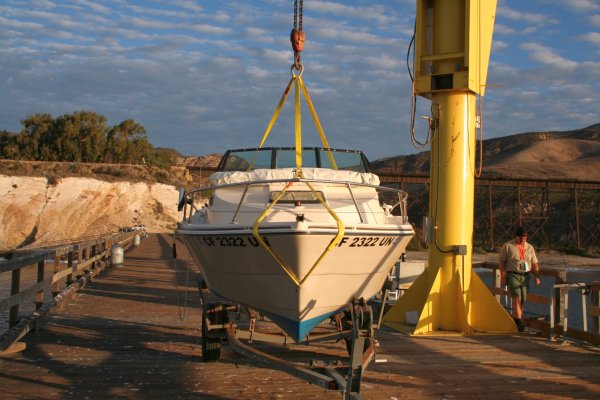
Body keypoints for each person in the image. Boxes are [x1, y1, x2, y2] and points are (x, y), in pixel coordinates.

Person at [499, 227, 541, 332]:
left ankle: (517, 321)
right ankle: (519, 323)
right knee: (516, 297)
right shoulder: (508, 246)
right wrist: (503, 276)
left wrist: (537, 277)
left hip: (525, 276)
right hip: (513, 274)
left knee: (522, 299)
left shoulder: (530, 248)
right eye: (521, 238)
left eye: (525, 238)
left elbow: (535, 263)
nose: (523, 240)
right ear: (516, 237)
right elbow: (502, 262)